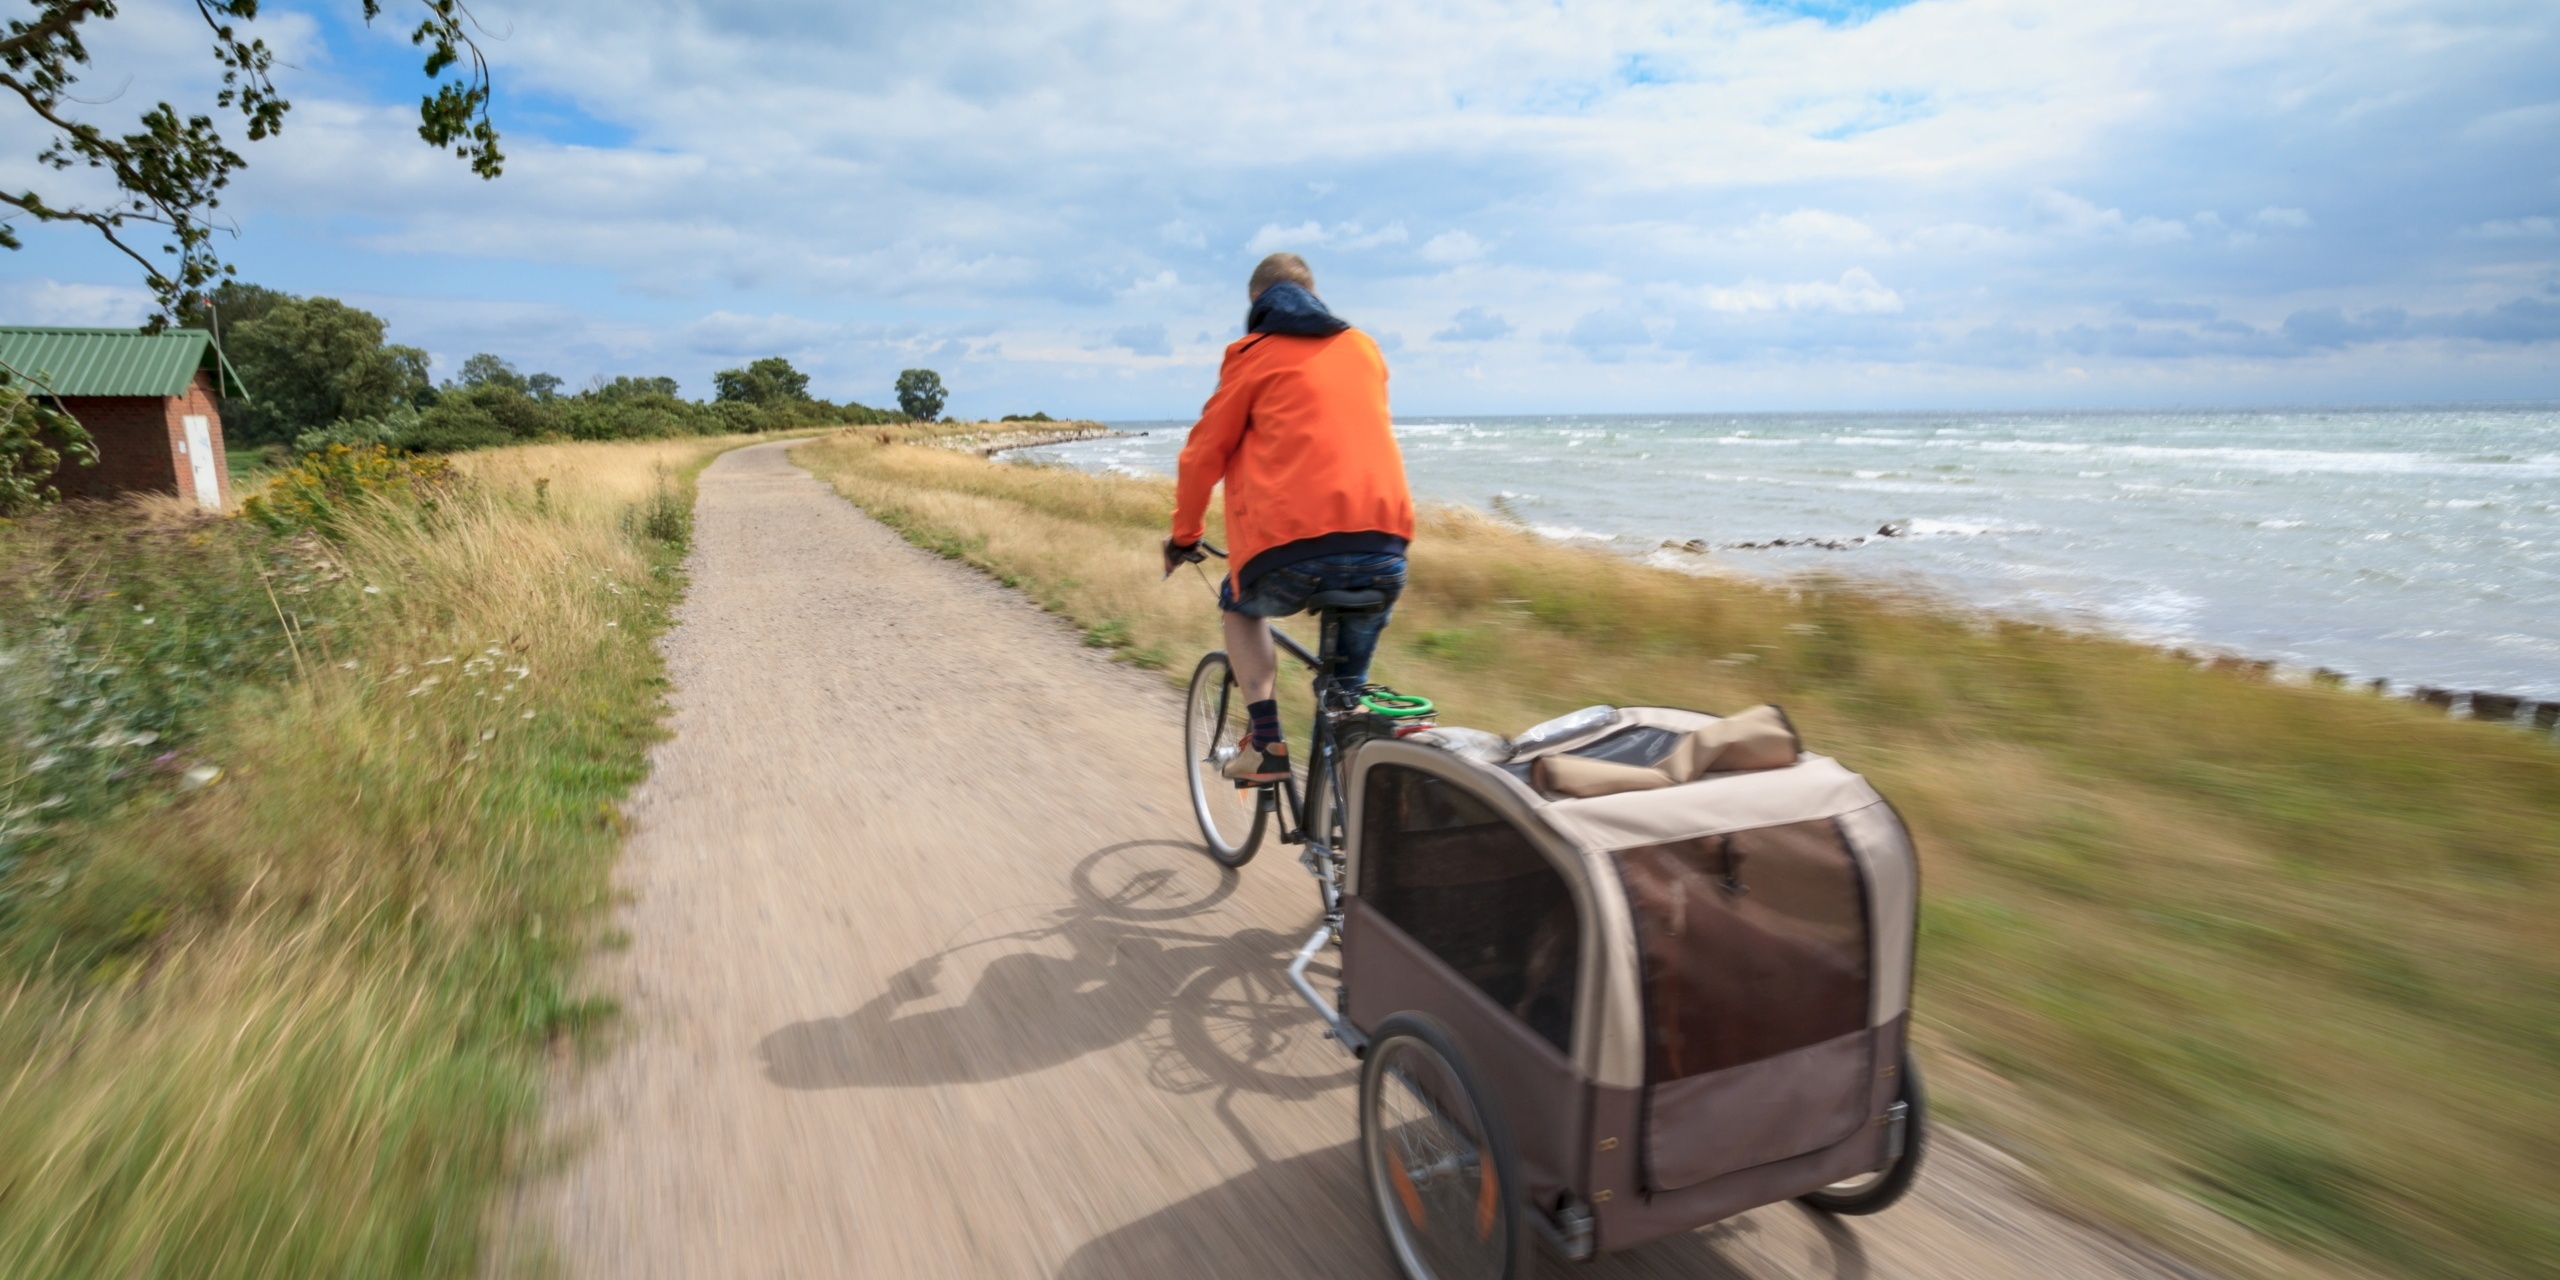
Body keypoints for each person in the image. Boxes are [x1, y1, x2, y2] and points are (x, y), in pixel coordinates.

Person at [1164, 252, 1414, 784]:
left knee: (1238, 603)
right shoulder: (1364, 348)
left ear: (1257, 303)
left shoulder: (1253, 353)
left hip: (1291, 556)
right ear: (1314, 295)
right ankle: (1346, 819)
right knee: (1346, 699)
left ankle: (1269, 742)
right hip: (1385, 548)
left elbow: (1202, 455)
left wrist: (1185, 536)